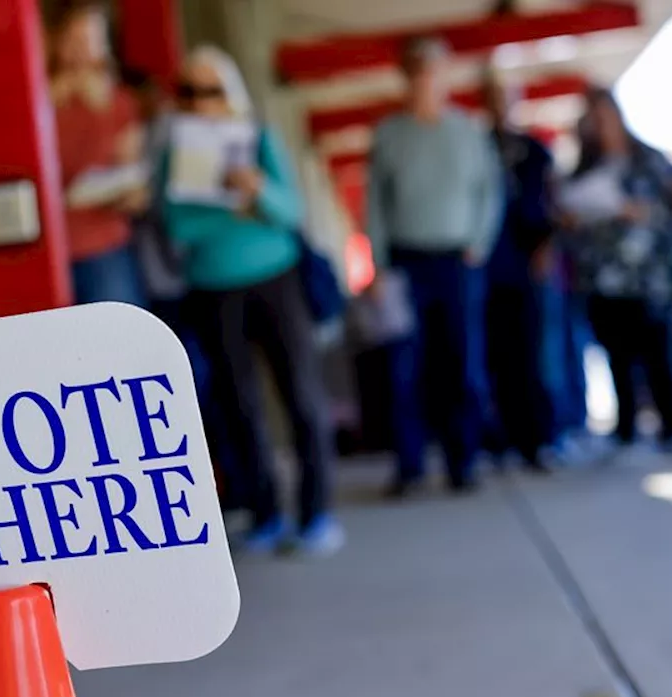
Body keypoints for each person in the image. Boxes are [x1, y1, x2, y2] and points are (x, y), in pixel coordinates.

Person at [162, 46, 343, 555]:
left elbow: (290, 210)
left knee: (301, 395)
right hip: (214, 291)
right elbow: (178, 225)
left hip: (277, 281)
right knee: (240, 404)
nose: (201, 102)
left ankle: (317, 511)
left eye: (211, 90)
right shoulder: (174, 154)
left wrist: (257, 191)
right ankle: (265, 512)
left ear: (231, 91)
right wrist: (238, 210)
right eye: (189, 91)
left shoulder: (259, 138)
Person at [367, 36, 502, 497]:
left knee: (463, 362)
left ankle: (463, 461)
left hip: (458, 260)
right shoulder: (388, 133)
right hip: (406, 262)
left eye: (434, 70)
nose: (426, 79)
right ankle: (410, 466)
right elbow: (375, 204)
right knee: (406, 366)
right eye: (418, 70)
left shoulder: (467, 131)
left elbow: (490, 192)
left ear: (445, 77)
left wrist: (479, 242)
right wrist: (380, 264)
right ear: (406, 77)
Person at [559, 87, 672, 449]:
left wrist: (639, 212)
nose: (601, 127)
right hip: (602, 276)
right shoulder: (585, 168)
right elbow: (568, 217)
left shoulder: (649, 160)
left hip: (647, 276)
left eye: (605, 117)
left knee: (657, 353)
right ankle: (626, 428)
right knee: (617, 353)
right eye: (594, 121)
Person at [482, 74, 558, 471]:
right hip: (487, 267)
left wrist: (545, 248)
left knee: (532, 354)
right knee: (496, 357)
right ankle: (503, 440)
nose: (500, 105)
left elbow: (551, 202)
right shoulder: (476, 147)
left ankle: (539, 440)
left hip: (526, 266)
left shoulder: (534, 151)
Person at [51, 0, 148, 306]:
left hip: (104, 247)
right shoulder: (33, 103)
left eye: (90, 41)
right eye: (74, 40)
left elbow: (136, 188)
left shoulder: (120, 103)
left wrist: (125, 194)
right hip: (48, 250)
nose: (82, 51)